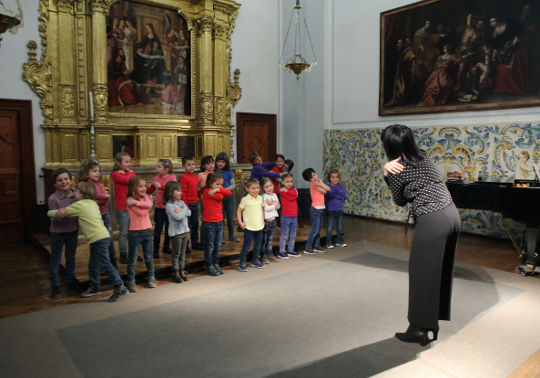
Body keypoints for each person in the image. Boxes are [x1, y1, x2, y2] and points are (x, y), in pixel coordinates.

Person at [381, 124, 461, 346]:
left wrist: (386, 173)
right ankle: (431, 324)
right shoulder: (423, 157)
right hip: (451, 213)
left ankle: (418, 329)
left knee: (421, 273)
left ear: (388, 145)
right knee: (438, 272)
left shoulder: (397, 168)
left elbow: (399, 200)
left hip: (433, 218)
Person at [48, 182, 128, 302]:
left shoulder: (80, 205)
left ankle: (119, 286)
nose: (75, 192)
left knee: (105, 264)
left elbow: (62, 212)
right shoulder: (92, 203)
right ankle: (95, 286)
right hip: (103, 237)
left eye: (77, 191)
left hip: (98, 239)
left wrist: (50, 212)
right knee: (93, 265)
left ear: (82, 195)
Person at [79, 160, 117, 268]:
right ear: (86, 172)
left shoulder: (99, 185)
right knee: (97, 241)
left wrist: (102, 198)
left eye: (99, 171)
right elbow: (92, 198)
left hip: (104, 214)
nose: (97, 173)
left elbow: (101, 200)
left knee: (108, 237)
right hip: (94, 218)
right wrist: (103, 197)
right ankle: (100, 263)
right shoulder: (84, 186)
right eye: (94, 171)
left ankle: (112, 259)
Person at [47, 168, 79, 299]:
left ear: (71, 180)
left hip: (73, 231)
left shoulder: (77, 194)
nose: (64, 182)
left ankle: (70, 280)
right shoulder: (53, 199)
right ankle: (55, 285)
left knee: (70, 257)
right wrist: (60, 215)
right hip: (58, 233)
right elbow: (53, 218)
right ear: (55, 184)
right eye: (60, 180)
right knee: (56, 258)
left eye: (66, 179)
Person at [126, 176, 156, 292]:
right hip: (135, 232)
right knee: (133, 258)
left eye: (145, 186)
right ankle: (131, 280)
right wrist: (144, 204)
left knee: (149, 256)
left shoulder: (144, 198)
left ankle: (151, 277)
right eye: (140, 186)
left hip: (146, 231)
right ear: (133, 188)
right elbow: (141, 212)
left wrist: (138, 202)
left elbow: (148, 207)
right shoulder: (129, 200)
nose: (144, 188)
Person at [201, 172, 232, 276]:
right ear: (210, 183)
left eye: (221, 184)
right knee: (210, 246)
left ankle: (215, 263)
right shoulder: (207, 191)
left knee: (217, 245)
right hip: (210, 224)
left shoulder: (216, 191)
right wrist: (219, 191)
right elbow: (220, 197)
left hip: (219, 222)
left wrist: (218, 189)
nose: (220, 186)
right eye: (217, 184)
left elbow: (229, 193)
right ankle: (209, 265)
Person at [146, 158, 177, 257]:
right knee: (158, 230)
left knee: (169, 229)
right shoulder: (156, 178)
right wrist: (143, 186)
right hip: (159, 208)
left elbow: (173, 188)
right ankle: (155, 249)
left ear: (167, 169)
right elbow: (150, 190)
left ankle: (166, 247)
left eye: (159, 167)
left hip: (169, 208)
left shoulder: (172, 177)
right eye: (157, 166)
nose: (157, 169)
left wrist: (161, 187)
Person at [164, 181, 191, 283]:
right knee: (176, 253)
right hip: (176, 233)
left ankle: (182, 270)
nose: (180, 192)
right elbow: (178, 217)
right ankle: (175, 272)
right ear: (171, 192)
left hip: (184, 231)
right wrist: (183, 210)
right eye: (178, 191)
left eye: (181, 190)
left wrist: (182, 209)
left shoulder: (181, 203)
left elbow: (189, 213)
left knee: (183, 253)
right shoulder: (169, 205)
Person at [111, 152, 135, 264]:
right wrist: (129, 173)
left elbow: (134, 181)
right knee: (124, 232)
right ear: (118, 163)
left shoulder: (130, 172)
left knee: (132, 232)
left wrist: (129, 173)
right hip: (122, 207)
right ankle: (123, 254)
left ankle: (132, 254)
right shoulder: (115, 174)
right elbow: (130, 181)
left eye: (129, 161)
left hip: (132, 207)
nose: (129, 164)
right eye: (126, 162)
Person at [237, 178, 265, 271]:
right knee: (247, 246)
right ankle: (242, 263)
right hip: (249, 227)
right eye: (253, 188)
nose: (256, 190)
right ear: (247, 188)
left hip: (259, 226)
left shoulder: (260, 198)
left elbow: (261, 209)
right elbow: (239, 210)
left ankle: (255, 260)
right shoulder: (245, 199)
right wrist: (240, 222)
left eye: (257, 188)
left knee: (258, 245)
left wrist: (263, 220)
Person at [302, 168, 330, 255]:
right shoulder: (314, 183)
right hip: (315, 210)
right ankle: (308, 247)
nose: (316, 176)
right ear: (310, 179)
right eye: (313, 176)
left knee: (318, 229)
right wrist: (321, 183)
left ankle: (317, 245)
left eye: (315, 174)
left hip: (320, 208)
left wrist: (321, 183)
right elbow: (327, 190)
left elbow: (326, 189)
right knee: (315, 229)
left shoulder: (317, 182)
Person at [215, 152, 240, 242]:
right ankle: (221, 237)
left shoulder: (229, 172)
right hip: (219, 199)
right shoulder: (214, 173)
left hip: (229, 198)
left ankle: (231, 235)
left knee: (230, 217)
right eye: (219, 161)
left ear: (226, 163)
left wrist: (224, 190)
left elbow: (233, 185)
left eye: (223, 162)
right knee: (220, 218)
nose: (220, 163)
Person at [180, 156, 202, 250]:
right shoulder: (184, 177)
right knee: (186, 225)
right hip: (187, 204)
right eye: (189, 165)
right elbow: (183, 192)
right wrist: (185, 205)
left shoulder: (195, 177)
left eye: (193, 164)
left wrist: (200, 196)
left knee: (195, 224)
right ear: (184, 166)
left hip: (195, 203)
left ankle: (194, 242)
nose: (192, 166)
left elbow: (196, 190)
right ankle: (185, 245)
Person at [278, 173, 300, 259]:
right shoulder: (282, 191)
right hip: (286, 216)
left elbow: (295, 195)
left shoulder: (290, 190)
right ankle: (282, 251)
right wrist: (293, 193)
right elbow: (292, 197)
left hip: (294, 216)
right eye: (287, 181)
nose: (290, 183)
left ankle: (291, 250)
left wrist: (289, 192)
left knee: (293, 235)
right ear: (283, 182)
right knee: (284, 235)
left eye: (291, 181)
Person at [325, 169, 347, 248]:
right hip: (331, 209)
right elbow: (330, 195)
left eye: (337, 177)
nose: (335, 179)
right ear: (329, 178)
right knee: (330, 227)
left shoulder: (341, 185)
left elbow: (343, 195)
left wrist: (335, 193)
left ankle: (339, 241)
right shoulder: (327, 186)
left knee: (339, 226)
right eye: (333, 177)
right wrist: (337, 192)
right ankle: (329, 242)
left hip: (339, 209)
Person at [260, 177, 280, 263]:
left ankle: (270, 254)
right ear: (263, 188)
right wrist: (274, 205)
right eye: (266, 187)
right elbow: (266, 208)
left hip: (273, 221)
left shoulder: (274, 195)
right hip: (266, 222)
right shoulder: (263, 197)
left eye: (270, 185)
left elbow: (279, 206)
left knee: (270, 240)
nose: (269, 188)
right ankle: (263, 256)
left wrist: (271, 204)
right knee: (264, 240)